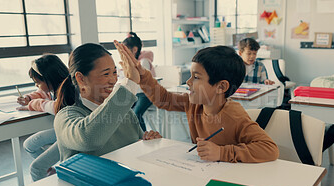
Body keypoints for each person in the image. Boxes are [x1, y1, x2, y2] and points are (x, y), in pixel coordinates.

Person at [115, 40, 279, 163]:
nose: (188, 82)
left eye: (196, 77)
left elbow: (270, 149)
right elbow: (163, 99)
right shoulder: (194, 103)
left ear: (221, 86)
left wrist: (222, 153)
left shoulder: (234, 116)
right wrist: (142, 74)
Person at [54, 43, 161, 161]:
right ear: (81, 78)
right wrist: (131, 83)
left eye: (114, 72)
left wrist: (149, 143)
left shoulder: (126, 113)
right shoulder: (65, 117)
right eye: (106, 74)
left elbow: (138, 148)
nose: (113, 80)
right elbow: (89, 138)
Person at [16, 54, 69, 181]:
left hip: (69, 134)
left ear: (49, 78)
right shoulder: (55, 87)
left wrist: (32, 104)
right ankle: (54, 171)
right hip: (61, 129)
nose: (36, 86)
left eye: (37, 83)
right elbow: (44, 93)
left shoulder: (69, 89)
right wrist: (29, 98)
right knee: (29, 145)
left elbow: (56, 107)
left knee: (36, 168)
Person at [122, 32, 155, 131]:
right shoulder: (132, 62)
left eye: (126, 50)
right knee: (124, 112)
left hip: (147, 94)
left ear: (135, 50)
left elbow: (140, 80)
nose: (124, 54)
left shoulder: (144, 61)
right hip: (137, 93)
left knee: (136, 114)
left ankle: (143, 136)